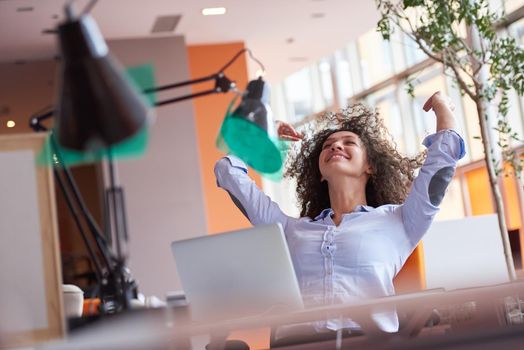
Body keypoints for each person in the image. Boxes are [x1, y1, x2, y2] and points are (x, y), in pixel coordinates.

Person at [214, 91, 465, 347]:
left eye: (349, 143)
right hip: (298, 344)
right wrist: (263, 139)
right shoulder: (290, 229)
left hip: (368, 343)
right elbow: (228, 172)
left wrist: (443, 106)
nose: (335, 146)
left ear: (371, 166)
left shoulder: (401, 220)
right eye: (328, 146)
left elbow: (442, 162)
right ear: (320, 174)